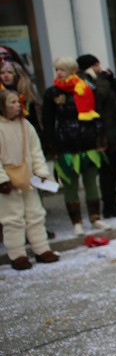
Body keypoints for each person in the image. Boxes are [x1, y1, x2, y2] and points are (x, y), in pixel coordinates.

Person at [41, 57, 108, 236]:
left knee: (91, 183)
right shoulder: (53, 93)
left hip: (88, 143)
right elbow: (47, 121)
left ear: (72, 70)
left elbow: (98, 116)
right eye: (57, 70)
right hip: (65, 145)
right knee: (70, 185)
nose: (59, 73)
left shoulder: (87, 88)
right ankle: (76, 221)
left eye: (62, 69)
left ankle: (95, 217)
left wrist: (100, 139)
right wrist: (52, 146)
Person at [0, 89, 59, 270]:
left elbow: (35, 152)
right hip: (8, 181)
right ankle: (17, 255)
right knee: (12, 218)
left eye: (18, 102)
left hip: (28, 177)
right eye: (12, 102)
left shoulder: (26, 125)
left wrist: (41, 172)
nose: (17, 105)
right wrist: (2, 179)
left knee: (35, 214)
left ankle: (41, 249)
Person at [76, 54, 116, 218]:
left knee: (115, 168)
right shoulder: (84, 82)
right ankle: (108, 206)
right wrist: (100, 80)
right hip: (101, 135)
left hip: (113, 131)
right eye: (96, 65)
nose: (99, 68)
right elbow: (99, 98)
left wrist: (112, 80)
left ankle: (113, 202)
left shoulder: (101, 80)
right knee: (107, 172)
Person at [0, 60, 41, 135]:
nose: (5, 75)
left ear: (18, 74)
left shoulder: (27, 92)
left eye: (10, 72)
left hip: (27, 132)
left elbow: (36, 119)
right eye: (2, 73)